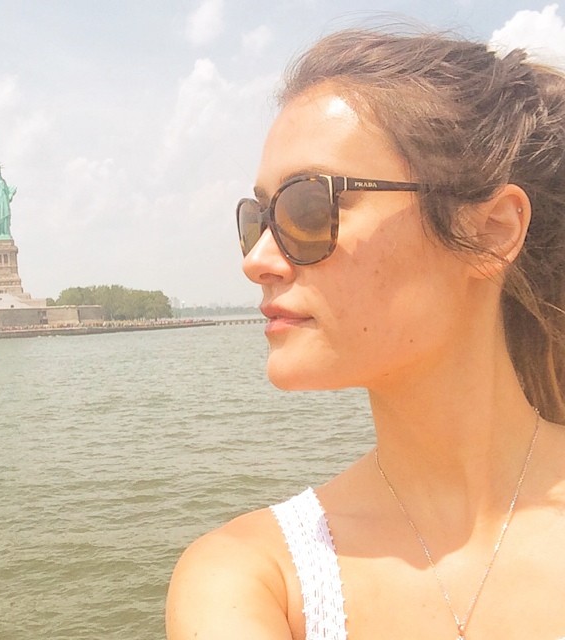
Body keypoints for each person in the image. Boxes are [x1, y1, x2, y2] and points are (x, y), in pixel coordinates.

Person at [166, 27, 565, 640]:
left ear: (490, 231)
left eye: (307, 207)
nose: (257, 260)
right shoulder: (254, 581)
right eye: (257, 219)